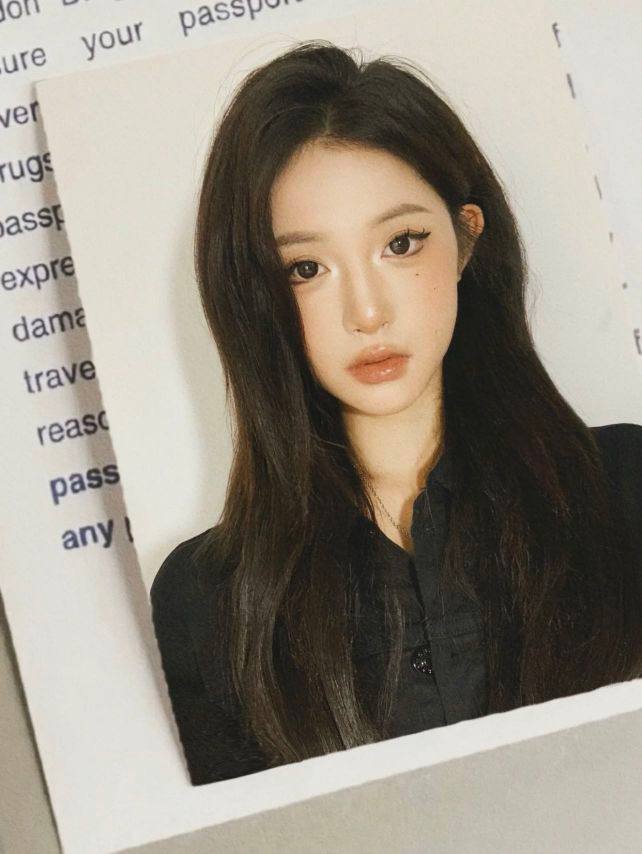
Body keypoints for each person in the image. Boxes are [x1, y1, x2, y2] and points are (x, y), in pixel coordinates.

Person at [150, 40, 642, 786]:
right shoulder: (209, 601)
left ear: (467, 238)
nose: (367, 311)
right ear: (256, 293)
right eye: (306, 268)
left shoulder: (625, 491)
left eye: (401, 243)